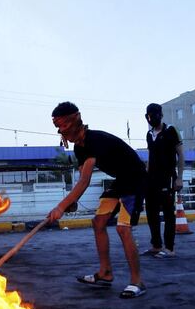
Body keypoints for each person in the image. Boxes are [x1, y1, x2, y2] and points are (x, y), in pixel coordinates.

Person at [48, 102, 148, 298]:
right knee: (98, 222)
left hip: (136, 178)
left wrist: (60, 207)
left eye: (63, 124)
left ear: (75, 119)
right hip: (121, 181)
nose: (61, 130)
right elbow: (81, 178)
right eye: (57, 126)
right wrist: (71, 203)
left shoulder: (94, 140)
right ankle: (105, 273)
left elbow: (85, 181)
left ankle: (137, 282)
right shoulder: (79, 149)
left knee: (123, 228)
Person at [143, 103, 184, 258]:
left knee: (168, 213)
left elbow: (181, 155)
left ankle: (169, 248)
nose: (152, 118)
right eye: (149, 116)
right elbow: (149, 157)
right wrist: (145, 177)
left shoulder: (171, 130)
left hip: (167, 178)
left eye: (154, 115)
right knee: (151, 212)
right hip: (151, 179)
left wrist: (179, 178)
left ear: (160, 115)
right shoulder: (149, 134)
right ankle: (156, 245)